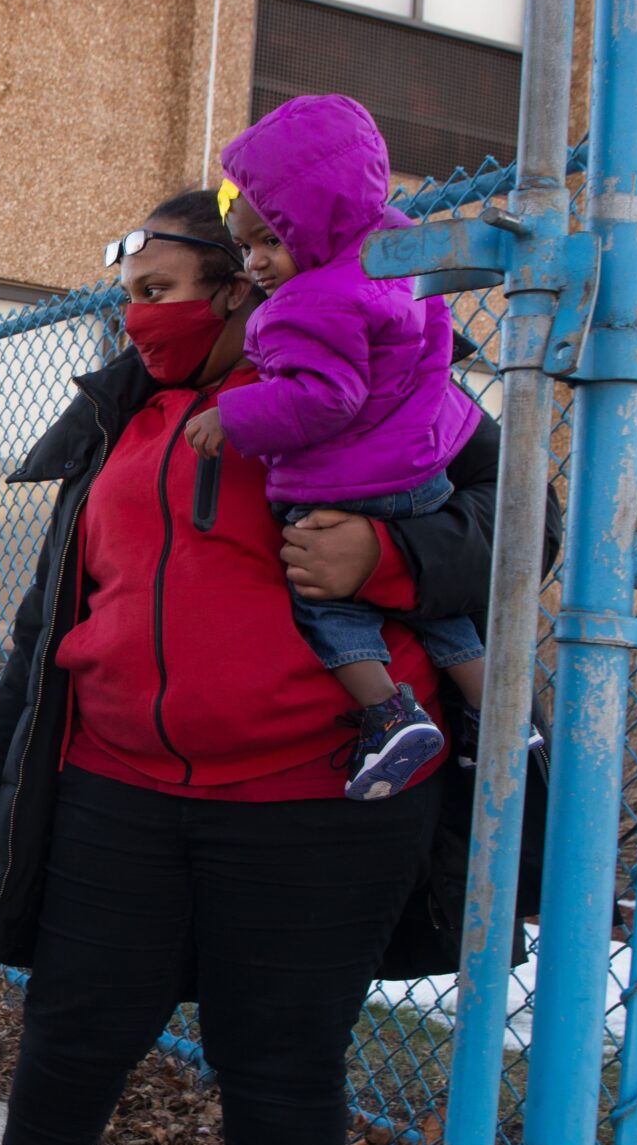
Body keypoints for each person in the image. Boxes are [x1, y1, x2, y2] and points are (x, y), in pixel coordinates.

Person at [0, 187, 508, 1145]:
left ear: (244, 289)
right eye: (131, 290)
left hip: (318, 801)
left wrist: (386, 565)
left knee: (276, 1063)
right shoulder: (123, 413)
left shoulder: (381, 385)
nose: (135, 314)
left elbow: (522, 533)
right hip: (120, 789)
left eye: (162, 289)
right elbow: (57, 608)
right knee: (72, 1032)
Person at [181, 94, 486, 800]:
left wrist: (234, 416)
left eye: (270, 241)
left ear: (317, 225)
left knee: (325, 600)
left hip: (349, 482)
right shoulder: (397, 260)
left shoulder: (307, 302)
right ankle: (498, 709)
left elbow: (326, 397)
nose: (255, 263)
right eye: (247, 245)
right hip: (420, 468)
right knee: (438, 608)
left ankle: (389, 714)